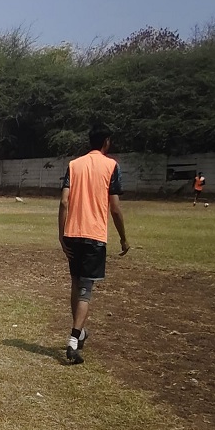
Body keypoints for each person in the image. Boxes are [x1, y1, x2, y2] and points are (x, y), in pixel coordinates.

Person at [59, 127, 129, 364]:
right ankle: (73, 340)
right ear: (106, 142)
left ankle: (79, 333)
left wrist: (61, 235)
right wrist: (123, 237)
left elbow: (64, 202)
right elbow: (115, 208)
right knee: (86, 289)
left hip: (72, 233)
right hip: (94, 236)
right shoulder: (111, 166)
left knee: (76, 283)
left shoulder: (74, 165)